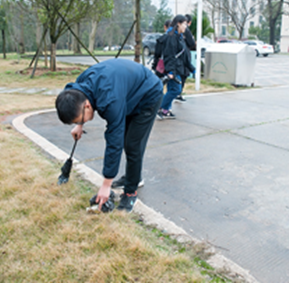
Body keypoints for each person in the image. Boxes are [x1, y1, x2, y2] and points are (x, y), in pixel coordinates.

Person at [55, 58, 163, 212]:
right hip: (126, 92)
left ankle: (131, 192)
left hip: (148, 94)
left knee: (132, 144)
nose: (81, 121)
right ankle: (135, 176)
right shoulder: (79, 87)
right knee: (128, 139)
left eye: (80, 119)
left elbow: (114, 142)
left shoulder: (109, 101)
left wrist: (106, 185)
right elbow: (81, 98)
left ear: (87, 106)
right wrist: (79, 125)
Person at [157, 14, 192, 120]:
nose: (186, 27)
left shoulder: (178, 36)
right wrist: (171, 72)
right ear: (178, 24)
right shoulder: (172, 37)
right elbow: (170, 56)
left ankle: (165, 110)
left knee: (172, 89)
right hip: (172, 69)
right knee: (176, 90)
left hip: (176, 68)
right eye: (185, 24)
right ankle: (159, 107)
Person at [175, 14, 196, 103]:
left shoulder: (176, 33)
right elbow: (191, 43)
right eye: (184, 24)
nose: (185, 26)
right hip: (182, 57)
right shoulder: (185, 31)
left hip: (180, 59)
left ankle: (177, 93)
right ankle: (177, 94)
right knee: (182, 76)